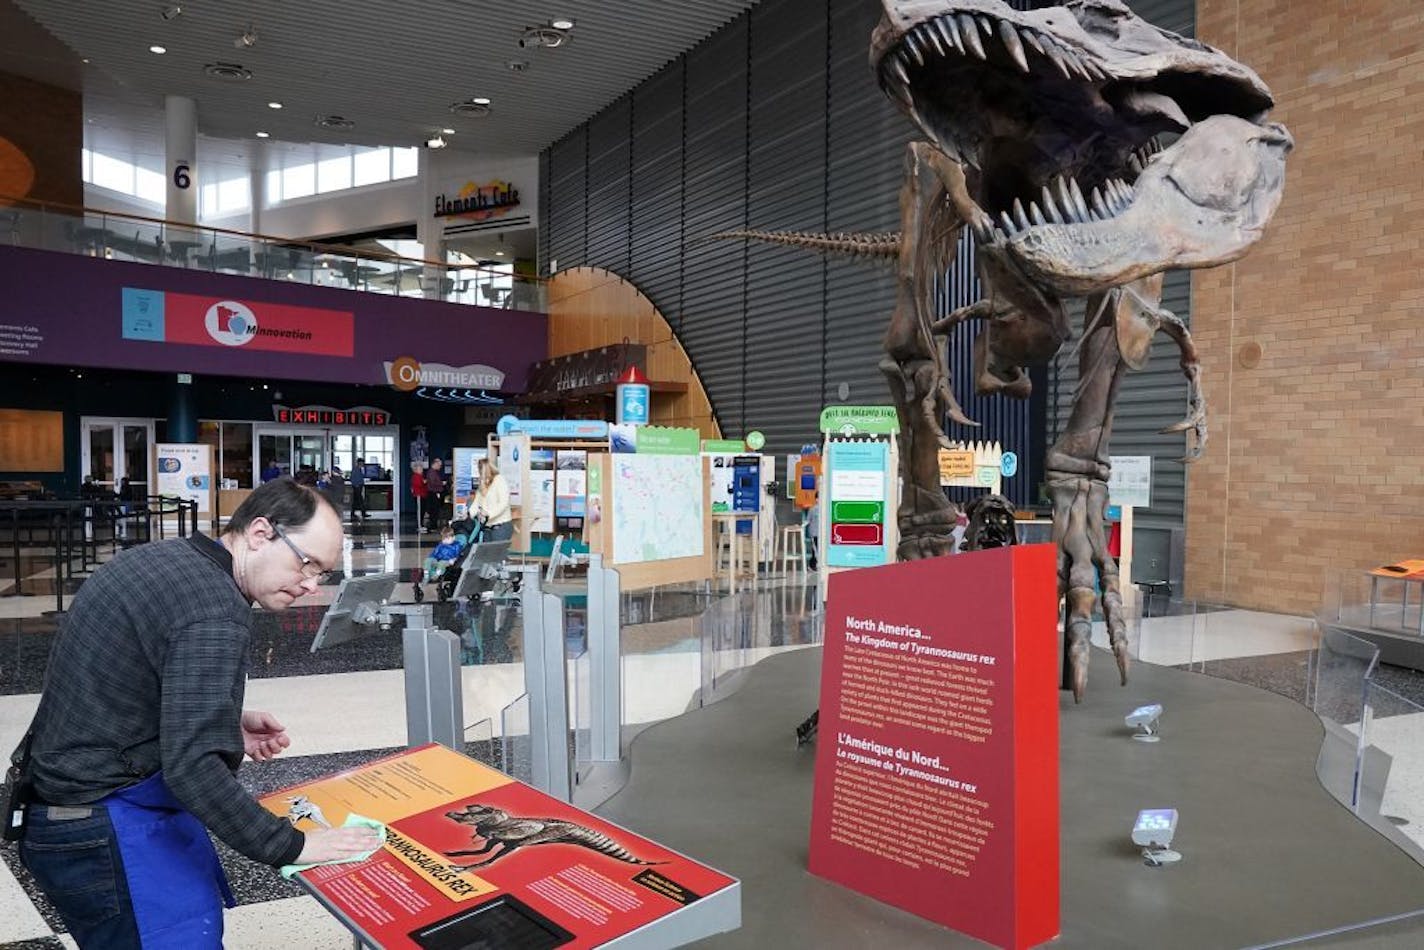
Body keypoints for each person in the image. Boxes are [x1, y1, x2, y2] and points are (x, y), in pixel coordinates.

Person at [8, 478, 380, 947]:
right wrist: (293, 844)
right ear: (260, 533)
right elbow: (193, 769)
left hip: (63, 805)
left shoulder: (168, 560)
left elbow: (123, 678)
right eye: (306, 563)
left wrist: (219, 718)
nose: (310, 585)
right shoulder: (215, 609)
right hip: (102, 825)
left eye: (323, 574)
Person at [472, 457, 513, 542]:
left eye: (480, 469)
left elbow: (503, 503)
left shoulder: (499, 480)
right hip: (486, 527)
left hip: (500, 527)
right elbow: (476, 503)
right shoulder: (482, 484)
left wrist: (489, 514)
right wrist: (470, 514)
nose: (478, 472)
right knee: (487, 553)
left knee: (497, 554)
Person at [424, 457, 447, 530]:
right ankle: (433, 525)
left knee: (435, 510)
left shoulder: (433, 472)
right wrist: (441, 483)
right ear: (435, 464)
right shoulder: (431, 472)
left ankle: (434, 525)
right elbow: (432, 482)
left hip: (434, 493)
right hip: (433, 493)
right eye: (439, 465)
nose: (440, 467)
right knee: (434, 510)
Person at [410, 465, 429, 533]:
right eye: (420, 469)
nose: (422, 470)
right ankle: (419, 525)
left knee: (422, 510)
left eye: (422, 469)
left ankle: (421, 524)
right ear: (416, 470)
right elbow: (420, 484)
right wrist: (424, 482)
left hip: (423, 495)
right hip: (419, 495)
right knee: (420, 510)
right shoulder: (415, 476)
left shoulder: (420, 476)